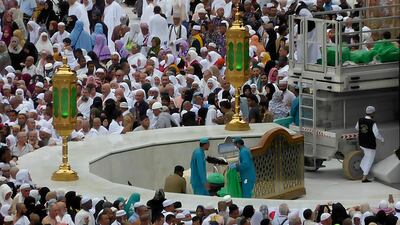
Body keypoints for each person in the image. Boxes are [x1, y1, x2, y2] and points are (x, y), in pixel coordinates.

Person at [355, 106, 384, 183]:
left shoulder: (360, 120)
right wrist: (381, 139)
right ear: (373, 113)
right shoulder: (372, 123)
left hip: (362, 143)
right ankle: (364, 178)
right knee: (369, 160)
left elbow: (357, 128)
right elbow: (376, 134)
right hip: (369, 145)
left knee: (366, 156)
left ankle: (362, 167)